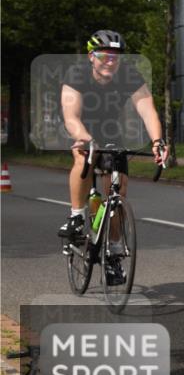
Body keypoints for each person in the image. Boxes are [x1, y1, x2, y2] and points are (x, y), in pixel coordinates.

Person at [58, 30, 168, 243]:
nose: (110, 62)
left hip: (110, 130)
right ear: (91, 56)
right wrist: (86, 138)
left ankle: (115, 250)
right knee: (83, 158)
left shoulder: (129, 75)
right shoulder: (77, 74)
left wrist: (157, 141)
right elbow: (71, 116)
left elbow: (148, 111)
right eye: (104, 56)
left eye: (115, 57)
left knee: (118, 192)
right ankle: (77, 216)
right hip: (81, 127)